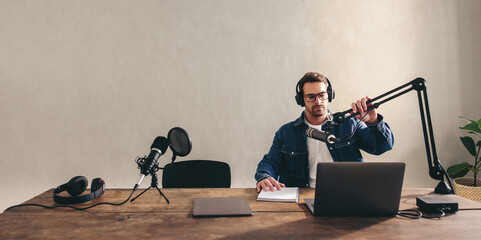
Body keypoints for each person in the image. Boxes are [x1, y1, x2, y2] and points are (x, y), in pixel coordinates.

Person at [255, 72, 394, 192]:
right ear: (301, 100)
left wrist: (373, 121)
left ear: (330, 95)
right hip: (302, 199)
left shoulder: (350, 124)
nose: (318, 101)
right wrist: (265, 176)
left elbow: (381, 147)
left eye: (322, 95)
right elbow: (270, 162)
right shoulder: (286, 132)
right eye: (311, 97)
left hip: (347, 193)